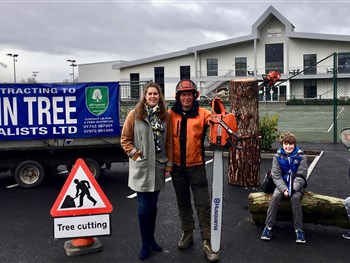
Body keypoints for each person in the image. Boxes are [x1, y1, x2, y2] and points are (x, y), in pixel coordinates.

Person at [121, 82, 173, 260]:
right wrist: (136, 154)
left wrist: (169, 165)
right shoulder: (134, 115)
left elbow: (169, 144)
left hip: (158, 167)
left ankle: (151, 240)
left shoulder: (165, 117)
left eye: (155, 94)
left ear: (160, 96)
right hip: (142, 168)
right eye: (149, 94)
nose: (152, 97)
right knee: (144, 205)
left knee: (153, 205)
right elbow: (125, 140)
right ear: (144, 96)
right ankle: (145, 243)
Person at [169, 79, 219, 262]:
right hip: (177, 169)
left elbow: (217, 119)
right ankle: (187, 233)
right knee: (183, 203)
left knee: (203, 204)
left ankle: (208, 241)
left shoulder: (202, 114)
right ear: (178, 97)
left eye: (190, 94)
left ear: (195, 95)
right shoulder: (170, 115)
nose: (187, 97)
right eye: (183, 94)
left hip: (197, 167)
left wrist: (219, 107)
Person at [260, 132, 308, 243]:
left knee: (295, 198)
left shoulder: (301, 157)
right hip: (282, 185)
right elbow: (276, 176)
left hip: (296, 186)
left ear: (294, 144)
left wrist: (292, 189)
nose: (288, 146)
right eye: (286, 144)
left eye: (291, 144)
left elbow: (301, 176)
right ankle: (268, 227)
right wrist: (284, 189)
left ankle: (299, 230)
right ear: (282, 144)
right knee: (276, 196)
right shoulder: (277, 157)